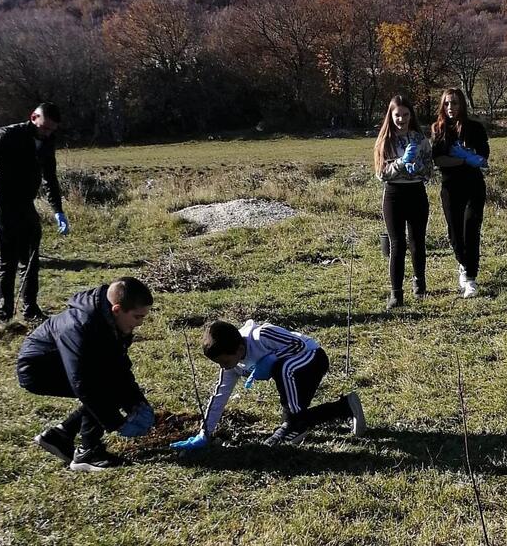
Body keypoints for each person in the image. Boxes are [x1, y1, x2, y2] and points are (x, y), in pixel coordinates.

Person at [17, 277, 155, 472]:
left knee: (108, 381)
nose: (140, 323)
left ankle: (60, 436)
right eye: (138, 317)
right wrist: (115, 422)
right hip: (37, 369)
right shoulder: (79, 326)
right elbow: (83, 383)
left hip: (67, 367)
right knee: (103, 386)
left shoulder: (114, 323)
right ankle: (88, 453)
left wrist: (136, 403)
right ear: (117, 309)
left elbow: (119, 367)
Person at [171, 318, 365, 450]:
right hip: (292, 374)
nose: (224, 367)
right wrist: (205, 433)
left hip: (312, 359)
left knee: (282, 369)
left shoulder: (262, 335)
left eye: (226, 362)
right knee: (297, 417)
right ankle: (344, 407)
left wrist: (270, 360)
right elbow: (220, 395)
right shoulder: (231, 365)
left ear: (239, 349)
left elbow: (299, 346)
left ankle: (291, 425)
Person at [0, 102, 69, 325]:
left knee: (30, 258)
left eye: (51, 130)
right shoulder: (7, 135)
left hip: (25, 203)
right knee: (7, 260)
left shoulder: (48, 142)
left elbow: (50, 177)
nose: (46, 133)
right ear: (33, 117)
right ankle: (4, 314)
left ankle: (30, 309)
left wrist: (58, 210)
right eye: (44, 127)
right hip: (1, 201)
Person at [373, 94, 433, 307]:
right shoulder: (385, 141)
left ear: (411, 115)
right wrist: (401, 163)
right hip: (394, 195)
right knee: (397, 243)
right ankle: (396, 294)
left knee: (417, 241)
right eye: (398, 115)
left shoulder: (420, 139)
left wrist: (418, 168)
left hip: (416, 193)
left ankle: (420, 285)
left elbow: (429, 169)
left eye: (406, 115)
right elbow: (381, 173)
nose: (402, 119)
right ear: (391, 115)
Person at [430, 87, 489, 299]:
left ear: (461, 104)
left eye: (454, 103)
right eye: (446, 103)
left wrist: (464, 157)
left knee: (471, 227)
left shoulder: (475, 128)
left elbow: (483, 158)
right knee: (455, 234)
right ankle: (463, 264)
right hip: (450, 188)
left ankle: (470, 278)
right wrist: (464, 159)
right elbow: (438, 160)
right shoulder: (438, 129)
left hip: (474, 186)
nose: (450, 107)